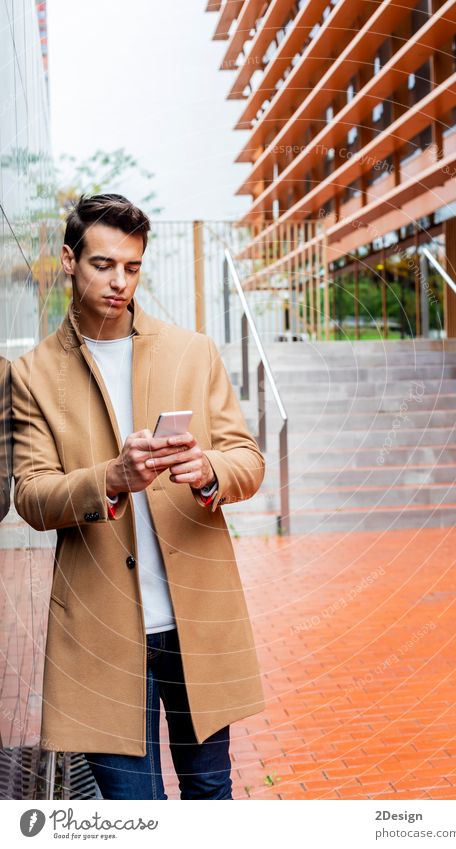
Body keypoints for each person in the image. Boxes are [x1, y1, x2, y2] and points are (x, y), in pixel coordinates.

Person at [10, 193, 266, 800]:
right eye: (103, 264)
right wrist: (111, 479)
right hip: (100, 632)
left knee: (211, 794)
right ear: (70, 260)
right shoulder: (32, 374)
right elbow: (31, 495)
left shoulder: (192, 352)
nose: (119, 281)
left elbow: (248, 461)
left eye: (132, 267)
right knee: (134, 817)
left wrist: (207, 469)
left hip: (197, 623)